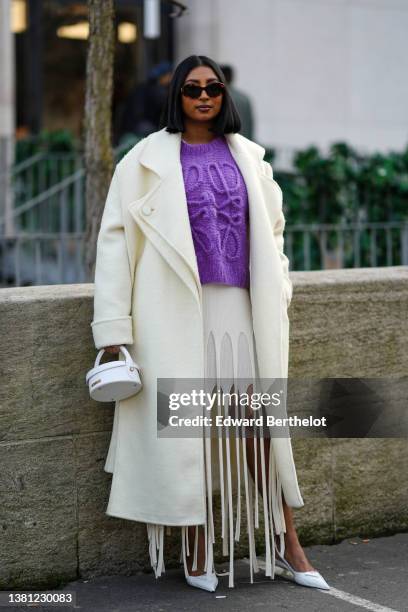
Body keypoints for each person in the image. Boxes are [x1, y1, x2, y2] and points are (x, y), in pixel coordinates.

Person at [91, 54, 330, 593]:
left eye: (214, 88)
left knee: (257, 432)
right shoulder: (142, 161)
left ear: (225, 97)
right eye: (193, 88)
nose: (204, 96)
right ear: (175, 95)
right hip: (171, 316)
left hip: (243, 313)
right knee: (189, 434)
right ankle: (196, 547)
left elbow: (273, 236)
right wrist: (113, 334)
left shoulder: (250, 159)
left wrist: (282, 287)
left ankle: (287, 543)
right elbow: (114, 249)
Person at [219, 64, 254, 139]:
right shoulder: (244, 98)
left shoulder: (216, 97)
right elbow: (250, 126)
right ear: (231, 77)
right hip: (242, 144)